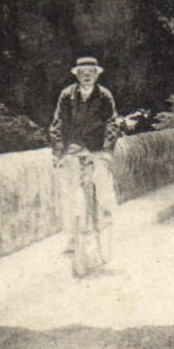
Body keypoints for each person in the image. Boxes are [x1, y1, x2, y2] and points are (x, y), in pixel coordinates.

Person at [49, 56, 121, 273]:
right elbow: (58, 123)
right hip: (74, 149)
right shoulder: (67, 95)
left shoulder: (104, 95)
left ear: (96, 74)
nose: (86, 75)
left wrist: (107, 151)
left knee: (103, 191)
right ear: (77, 75)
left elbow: (112, 123)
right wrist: (58, 152)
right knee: (69, 193)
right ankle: (72, 237)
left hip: (97, 149)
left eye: (90, 72)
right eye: (82, 72)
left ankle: (105, 226)